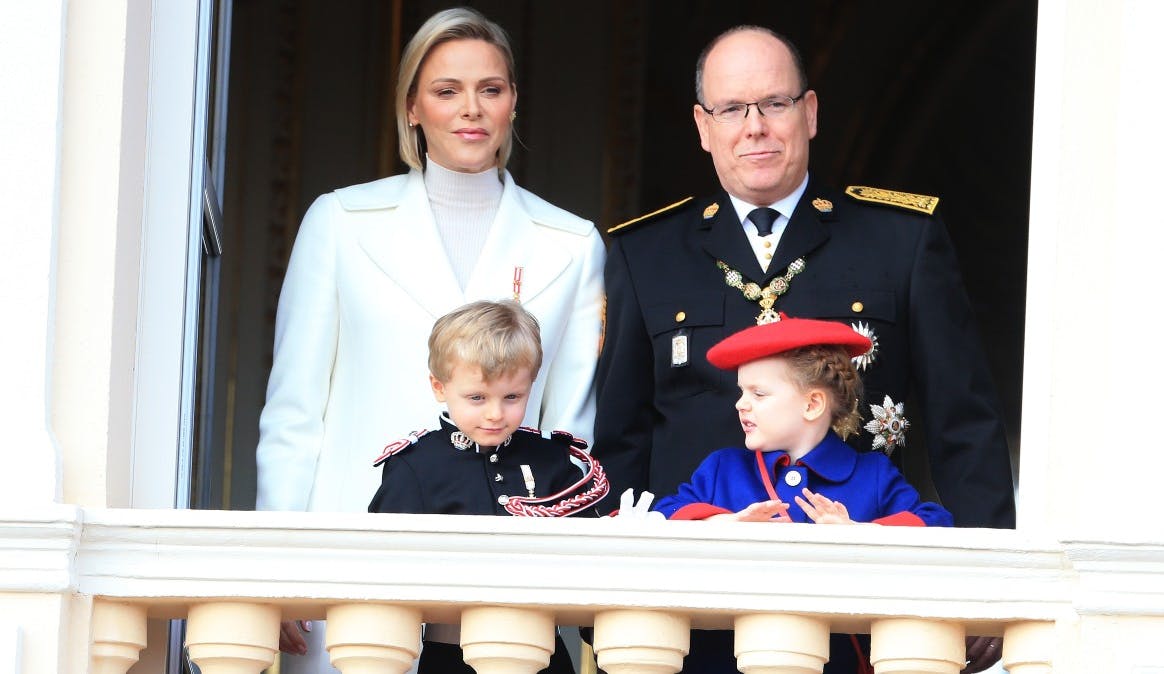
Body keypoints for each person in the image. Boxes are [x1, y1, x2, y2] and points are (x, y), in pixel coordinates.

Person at [593, 24, 1011, 674]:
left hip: (864, 618)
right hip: (687, 617)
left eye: (775, 104)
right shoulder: (645, 255)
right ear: (703, 126)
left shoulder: (900, 241)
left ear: (809, 113)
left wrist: (990, 585)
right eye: (733, 109)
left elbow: (965, 424)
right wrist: (606, 592)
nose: (754, 126)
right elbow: (621, 440)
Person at [255, 7, 604, 671]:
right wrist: (280, 566)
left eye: (491, 89)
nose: (470, 109)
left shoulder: (572, 242)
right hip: (352, 562)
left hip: (507, 586)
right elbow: (295, 414)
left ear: (512, 104)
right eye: (447, 90)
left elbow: (568, 426)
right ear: (412, 105)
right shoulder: (340, 222)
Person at [369, 300, 608, 673]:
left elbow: (593, 563)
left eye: (512, 397)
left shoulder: (552, 460)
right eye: (477, 398)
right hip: (452, 658)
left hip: (543, 656)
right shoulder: (415, 466)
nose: (496, 413)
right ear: (439, 386)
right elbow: (382, 571)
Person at [652, 316, 952, 530]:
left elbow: (935, 524)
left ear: (812, 405)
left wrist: (859, 535)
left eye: (758, 393)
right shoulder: (722, 469)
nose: (740, 404)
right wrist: (723, 523)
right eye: (742, 392)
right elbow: (659, 517)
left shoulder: (873, 475)